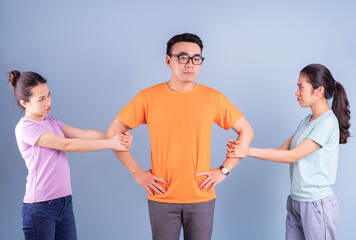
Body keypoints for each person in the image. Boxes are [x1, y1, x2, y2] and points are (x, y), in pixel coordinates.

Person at [107, 33, 254, 240]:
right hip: (162, 197)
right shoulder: (147, 97)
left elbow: (246, 131)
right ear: (169, 60)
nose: (190, 63)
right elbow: (112, 134)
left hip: (202, 197)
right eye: (182, 57)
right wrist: (137, 173)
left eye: (196, 58)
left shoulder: (213, 98)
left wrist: (224, 170)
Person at [227, 64, 350, 240]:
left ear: (319, 90)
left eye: (301, 87)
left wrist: (247, 151)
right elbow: (280, 151)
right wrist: (243, 150)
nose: (296, 92)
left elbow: (293, 156)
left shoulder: (327, 123)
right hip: (296, 201)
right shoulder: (307, 121)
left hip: (316, 203)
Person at [9, 70, 133, 240]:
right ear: (24, 103)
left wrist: (115, 136)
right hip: (40, 207)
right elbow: (68, 144)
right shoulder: (26, 127)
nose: (48, 102)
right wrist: (111, 143)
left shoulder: (51, 121)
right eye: (41, 99)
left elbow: (81, 134)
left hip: (64, 203)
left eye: (48, 95)